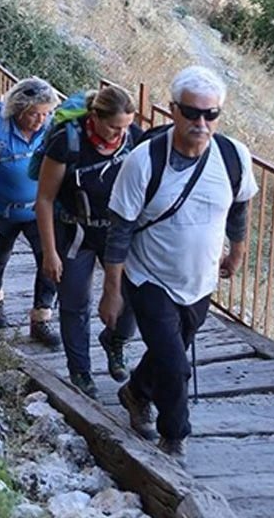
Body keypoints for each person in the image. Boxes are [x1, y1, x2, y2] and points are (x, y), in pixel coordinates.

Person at [100, 66, 258, 459]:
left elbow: (240, 204)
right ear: (172, 110)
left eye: (211, 114)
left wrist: (237, 250)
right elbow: (119, 231)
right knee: (176, 364)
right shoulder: (144, 161)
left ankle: (136, 392)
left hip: (200, 280)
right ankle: (175, 438)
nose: (201, 122)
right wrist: (112, 293)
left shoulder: (233, 156)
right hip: (149, 276)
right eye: (192, 112)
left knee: (166, 352)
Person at [35, 86, 143, 400]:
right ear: (94, 117)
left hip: (117, 232)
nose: (120, 133)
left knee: (131, 296)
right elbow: (44, 198)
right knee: (74, 303)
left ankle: (115, 340)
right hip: (75, 232)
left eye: (125, 126)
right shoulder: (67, 143)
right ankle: (80, 369)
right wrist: (50, 252)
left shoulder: (133, 138)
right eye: (114, 126)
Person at [0, 78, 61, 348]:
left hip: (40, 211)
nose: (40, 120)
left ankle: (41, 317)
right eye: (34, 113)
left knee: (50, 262)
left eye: (45, 114)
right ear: (19, 109)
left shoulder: (50, 130)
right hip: (3, 212)